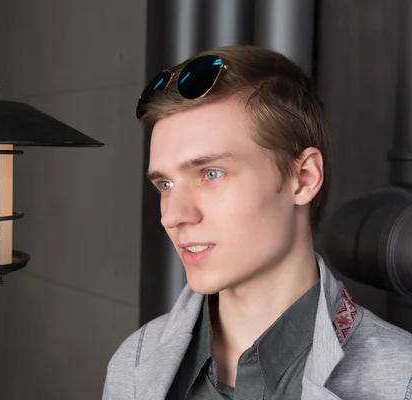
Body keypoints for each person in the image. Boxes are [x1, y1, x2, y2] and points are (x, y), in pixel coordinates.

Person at [102, 45, 412, 399]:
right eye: (165, 184)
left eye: (211, 173)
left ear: (304, 177)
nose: (173, 215)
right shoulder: (134, 362)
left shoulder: (401, 382)